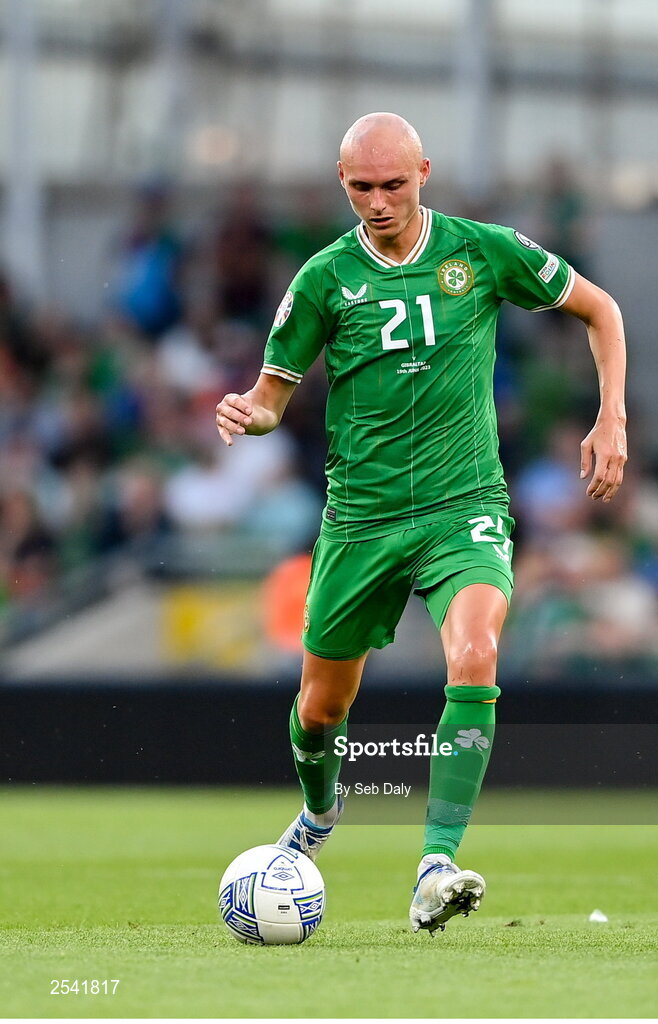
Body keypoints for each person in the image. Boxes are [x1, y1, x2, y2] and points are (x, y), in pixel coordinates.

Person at [215, 113, 627, 934]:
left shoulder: (481, 250)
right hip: (360, 522)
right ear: (343, 183)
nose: (378, 201)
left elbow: (601, 310)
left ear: (424, 173)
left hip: (461, 506)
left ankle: (436, 864)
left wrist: (610, 416)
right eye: (362, 187)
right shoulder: (324, 281)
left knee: (475, 654)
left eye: (393, 184)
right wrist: (249, 415)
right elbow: (271, 397)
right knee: (320, 711)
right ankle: (321, 815)